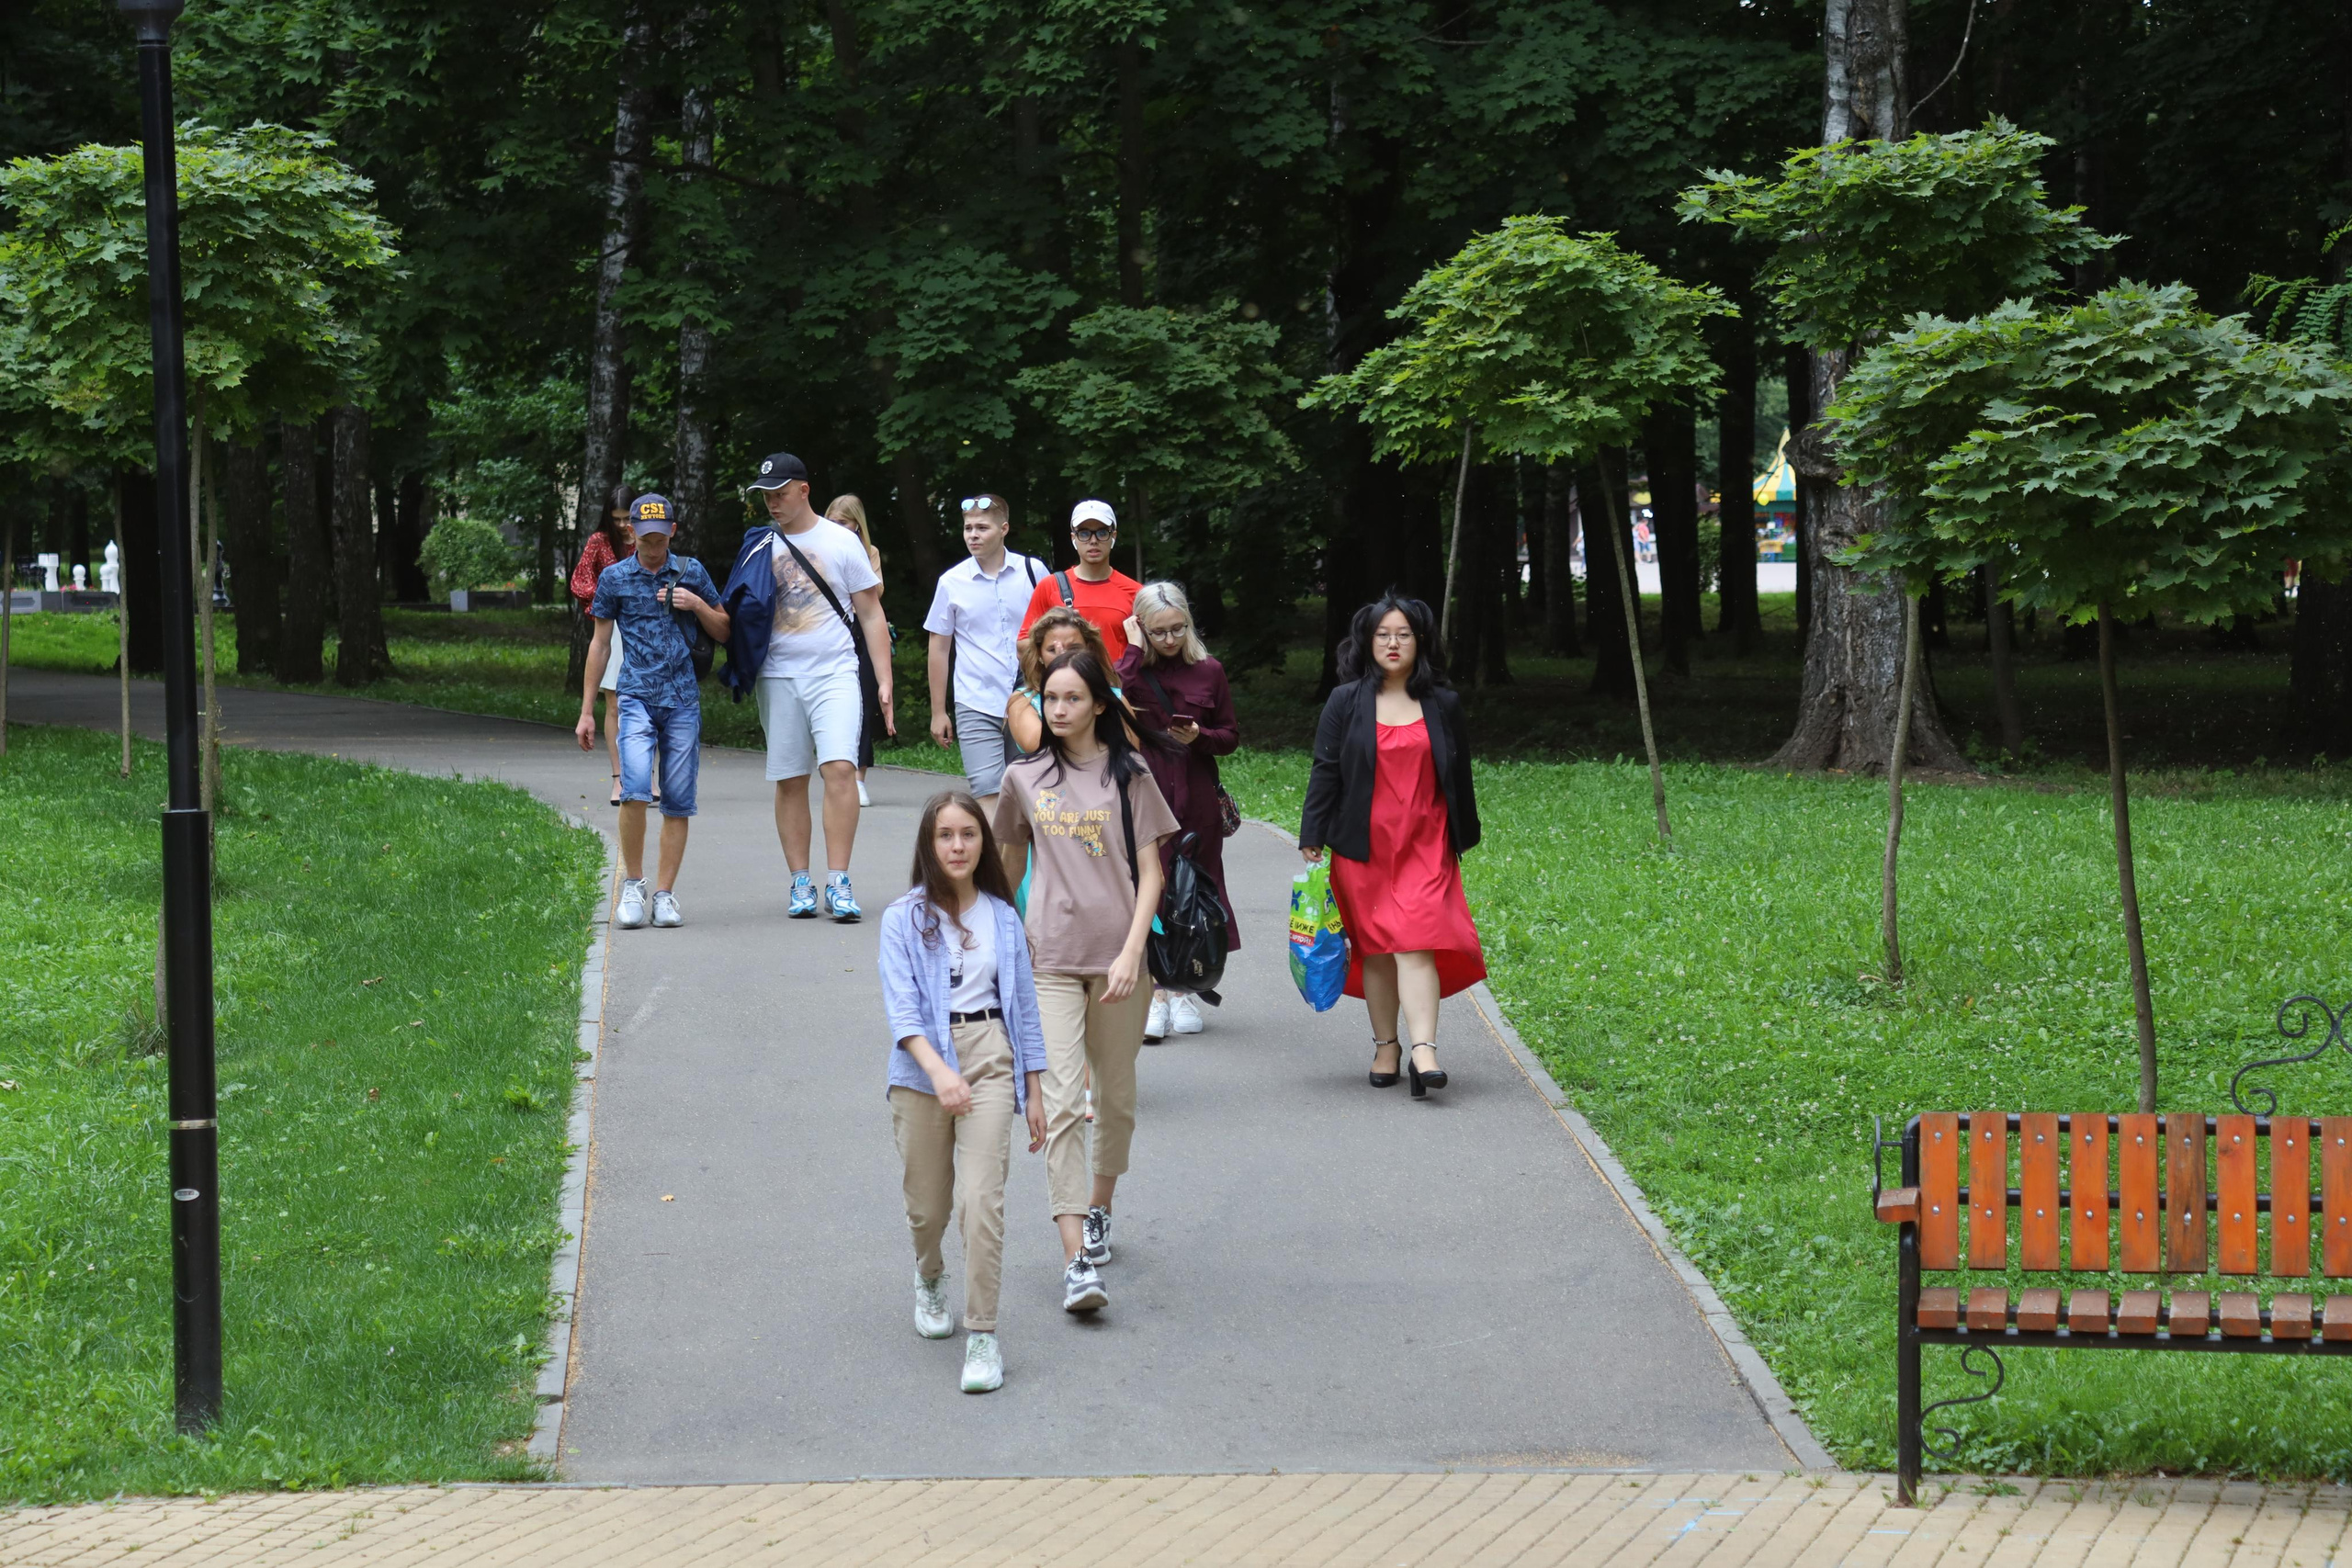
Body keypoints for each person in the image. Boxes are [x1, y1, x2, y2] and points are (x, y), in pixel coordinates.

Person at [994, 650, 1177, 1315]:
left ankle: (1100, 1206)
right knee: (1065, 1101)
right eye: (1051, 697)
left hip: (1119, 961)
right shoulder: (1024, 778)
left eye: (1073, 697)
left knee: (1117, 1097)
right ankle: (1074, 1257)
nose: (1060, 708)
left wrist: (1132, 952)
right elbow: (1007, 860)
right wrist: (1005, 932)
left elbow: (1151, 872)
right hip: (1049, 959)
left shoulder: (1129, 774)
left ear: (1100, 704)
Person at [878, 790, 1048, 1393]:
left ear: (983, 843)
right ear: (929, 843)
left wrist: (1033, 1087)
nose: (956, 845)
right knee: (929, 1207)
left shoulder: (1003, 915)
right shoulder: (903, 917)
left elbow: (1024, 1007)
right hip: (921, 1068)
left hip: (992, 1057)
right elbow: (903, 1013)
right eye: (945, 835)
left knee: (983, 1202)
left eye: (968, 834)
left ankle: (982, 1334)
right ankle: (929, 1275)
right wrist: (939, 1070)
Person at [1298, 592, 1485, 1099]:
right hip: (1363, 845)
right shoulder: (1345, 700)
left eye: (1404, 634)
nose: (1394, 643)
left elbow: (1459, 774)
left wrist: (1462, 836)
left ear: (1420, 642)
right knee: (1378, 950)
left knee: (1417, 939)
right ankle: (1387, 1045)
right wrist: (1311, 833)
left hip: (1426, 841)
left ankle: (1425, 1049)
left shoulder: (1443, 703)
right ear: (1368, 641)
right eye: (1384, 634)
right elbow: (1326, 769)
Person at [744, 453, 895, 922]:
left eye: (781, 493)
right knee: (791, 779)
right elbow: (741, 609)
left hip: (834, 673)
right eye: (766, 495)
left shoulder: (841, 542)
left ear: (804, 491)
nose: (773, 503)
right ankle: (800, 882)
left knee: (840, 770)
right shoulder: (758, 544)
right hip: (778, 675)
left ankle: (839, 881)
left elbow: (871, 613)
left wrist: (884, 680)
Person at [576, 493, 731, 930]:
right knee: (635, 789)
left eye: (661, 537)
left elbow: (724, 628)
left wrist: (696, 605)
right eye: (646, 537)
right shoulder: (614, 578)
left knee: (679, 800)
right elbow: (600, 644)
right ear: (632, 533)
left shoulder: (691, 572)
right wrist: (587, 710)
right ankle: (633, 885)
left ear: (673, 532)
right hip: (636, 697)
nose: (653, 545)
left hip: (682, 700)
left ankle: (665, 895)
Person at [1115, 581, 1240, 1043]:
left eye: (1177, 629)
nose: (1168, 640)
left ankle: (1186, 987)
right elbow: (1111, 702)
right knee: (1151, 892)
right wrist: (1131, 650)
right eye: (1158, 632)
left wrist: (1200, 738)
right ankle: (1155, 994)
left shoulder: (1209, 670)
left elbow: (1229, 735)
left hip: (1197, 793)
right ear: (1141, 629)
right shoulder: (1132, 667)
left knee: (1195, 894)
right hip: (1146, 793)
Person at [925, 494, 1046, 812]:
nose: (973, 535)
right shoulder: (951, 582)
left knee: (1033, 793)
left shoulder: (1033, 572)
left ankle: (1030, 863)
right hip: (976, 699)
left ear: (1004, 528)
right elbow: (939, 647)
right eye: (968, 528)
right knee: (987, 792)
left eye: (982, 527)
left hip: (1031, 697)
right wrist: (939, 711)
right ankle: (999, 864)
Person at [570, 487, 635, 806]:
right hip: (610, 629)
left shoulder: (650, 537)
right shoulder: (599, 541)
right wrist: (609, 597)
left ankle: (646, 777)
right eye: (617, 519)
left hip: (645, 626)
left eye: (627, 518)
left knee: (648, 704)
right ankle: (619, 779)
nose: (623, 525)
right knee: (615, 704)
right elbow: (579, 581)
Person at [1019, 500, 1139, 662]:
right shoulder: (1050, 586)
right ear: (1073, 538)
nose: (1093, 540)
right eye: (1084, 533)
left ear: (1114, 536)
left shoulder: (1135, 592)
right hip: (1066, 685)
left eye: (1102, 532)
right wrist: (1058, 653)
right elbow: (1023, 644)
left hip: (1117, 686)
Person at [825, 493, 888, 807]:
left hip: (860, 635)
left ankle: (859, 777)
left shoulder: (869, 552)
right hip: (831, 634)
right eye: (832, 522)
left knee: (862, 702)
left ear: (857, 526)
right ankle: (838, 773)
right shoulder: (819, 550)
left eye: (844, 523)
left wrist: (857, 557)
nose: (837, 528)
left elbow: (875, 591)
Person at [1002, 607, 1122, 759]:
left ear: (1089, 649)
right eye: (1052, 650)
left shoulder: (1113, 697)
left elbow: (1129, 753)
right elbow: (1040, 748)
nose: (1064, 657)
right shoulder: (1023, 701)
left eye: (1074, 648)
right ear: (1039, 654)